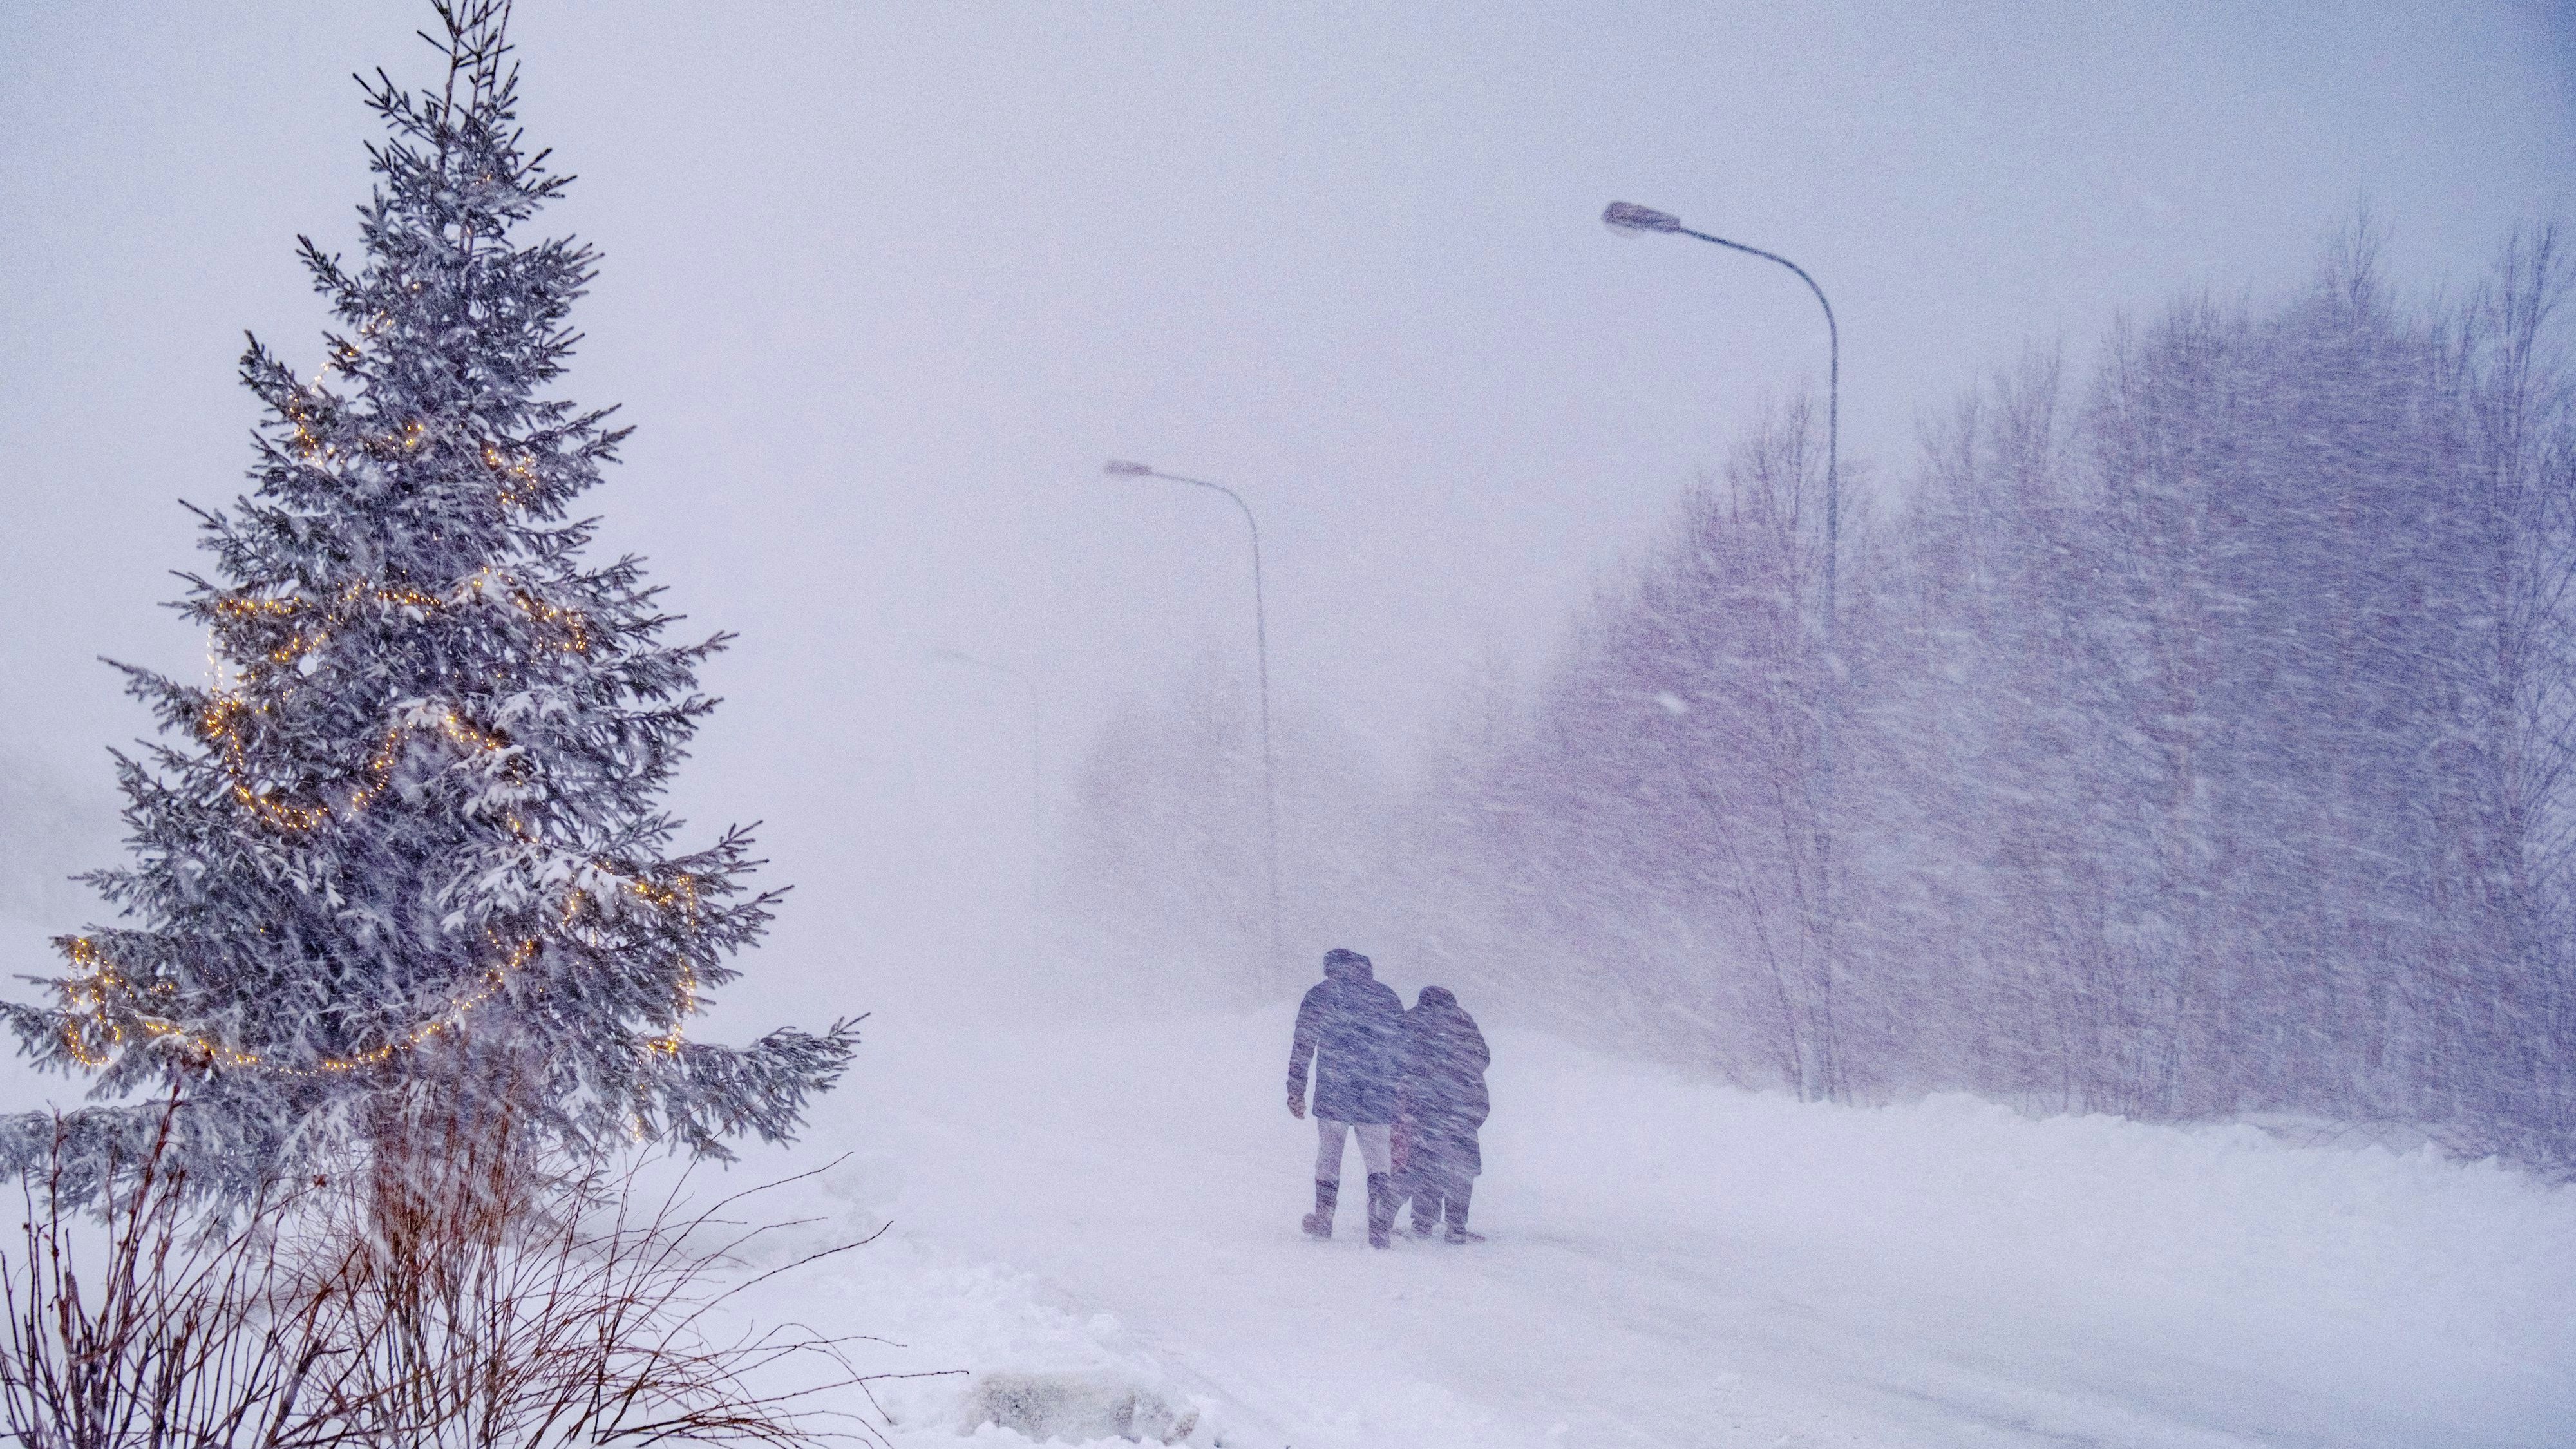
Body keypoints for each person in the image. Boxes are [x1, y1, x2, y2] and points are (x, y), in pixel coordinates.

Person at [1285, 947, 1405, 1247]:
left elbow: (1303, 1045)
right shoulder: (1386, 996)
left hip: (1334, 1089)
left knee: (1329, 1156)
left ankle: (1324, 1218)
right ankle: (1378, 1227)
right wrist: (1401, 1090)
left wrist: (1296, 1089)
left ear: (1331, 969)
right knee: (1379, 1161)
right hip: (1377, 1092)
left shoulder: (1320, 995)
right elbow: (1404, 1047)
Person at [1394, 985, 1490, 1244]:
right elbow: (1483, 1058)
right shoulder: (1462, 1020)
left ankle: (1423, 1223)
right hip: (1464, 1106)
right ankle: (1457, 1227)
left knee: (1426, 1164)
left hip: (1424, 1107)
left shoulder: (1411, 1019)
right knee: (1461, 1168)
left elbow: (1395, 1060)